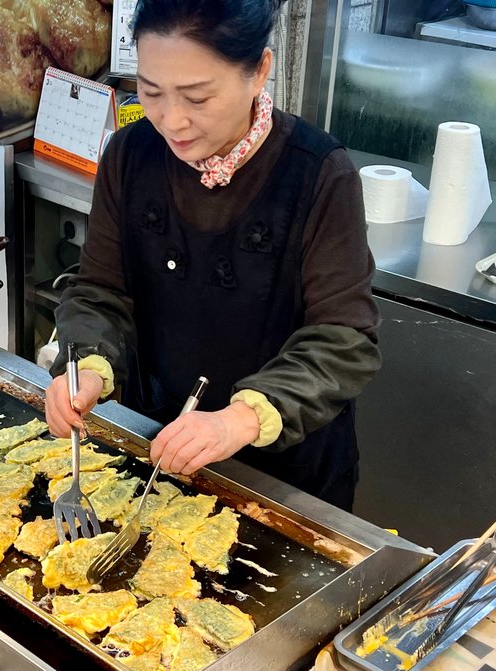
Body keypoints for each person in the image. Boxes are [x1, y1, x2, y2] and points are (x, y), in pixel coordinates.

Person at [44, 0, 381, 511]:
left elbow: (344, 337)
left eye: (197, 97)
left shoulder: (319, 174)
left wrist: (238, 420)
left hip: (287, 474)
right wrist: (87, 367)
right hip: (159, 445)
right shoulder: (131, 155)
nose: (171, 120)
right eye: (151, 92)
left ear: (259, 71)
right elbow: (100, 290)